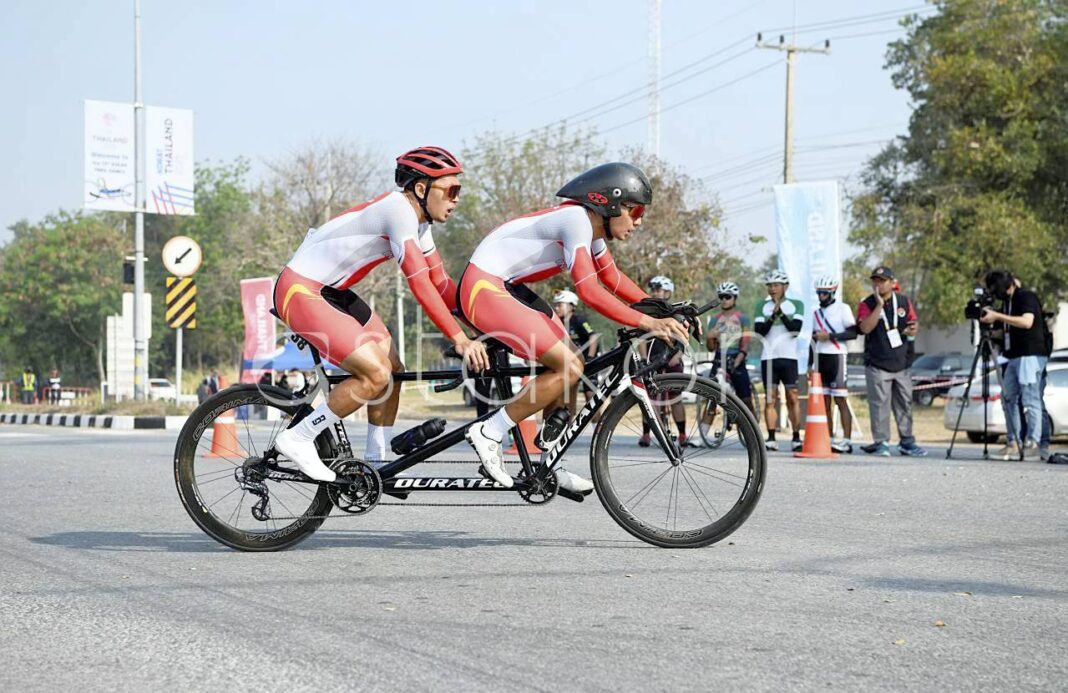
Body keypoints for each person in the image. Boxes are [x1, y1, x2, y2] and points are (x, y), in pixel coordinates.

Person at [458, 162, 689, 491]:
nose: (638, 221)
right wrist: (649, 321)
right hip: (483, 289)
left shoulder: (590, 228)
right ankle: (490, 431)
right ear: (608, 203)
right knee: (570, 365)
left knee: (571, 366)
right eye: (635, 210)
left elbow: (613, 278)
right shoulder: (576, 220)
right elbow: (590, 290)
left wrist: (665, 309)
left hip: (508, 288)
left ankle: (549, 464)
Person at [273, 146, 490, 482]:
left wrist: (487, 327)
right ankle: (299, 437)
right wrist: (460, 339)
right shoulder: (398, 212)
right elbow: (420, 285)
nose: (456, 199)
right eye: (450, 190)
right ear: (421, 188)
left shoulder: (420, 224)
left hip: (332, 292)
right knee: (374, 373)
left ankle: (375, 464)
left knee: (392, 369)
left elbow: (442, 285)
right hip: (301, 290)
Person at [856, 266, 927, 457]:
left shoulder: (903, 301)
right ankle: (881, 442)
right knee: (879, 405)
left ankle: (907, 441)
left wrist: (913, 329)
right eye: (875, 281)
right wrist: (878, 306)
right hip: (877, 364)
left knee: (904, 403)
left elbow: (914, 323)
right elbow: (864, 328)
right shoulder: (867, 303)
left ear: (892, 282)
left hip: (902, 363)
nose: (878, 284)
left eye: (882, 280)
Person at [980, 270, 1049, 460]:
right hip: (1013, 355)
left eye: (996, 290)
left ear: (1006, 286)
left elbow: (1027, 322)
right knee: (1008, 397)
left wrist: (998, 316)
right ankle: (1013, 442)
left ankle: (1034, 443)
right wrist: (989, 330)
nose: (995, 294)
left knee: (1030, 399)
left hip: (1030, 354)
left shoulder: (1026, 297)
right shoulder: (1007, 304)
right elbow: (1008, 330)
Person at [754, 270, 804, 451]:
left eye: (776, 285)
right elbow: (760, 331)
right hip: (769, 357)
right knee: (770, 399)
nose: (772, 289)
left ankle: (796, 437)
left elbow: (795, 330)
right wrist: (773, 315)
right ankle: (771, 437)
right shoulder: (762, 306)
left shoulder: (796, 305)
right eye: (770, 286)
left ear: (785, 287)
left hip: (789, 357)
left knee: (793, 397)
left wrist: (780, 313)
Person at [637, 276, 689, 447]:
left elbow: (683, 338)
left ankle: (682, 434)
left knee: (676, 397)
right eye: (653, 289)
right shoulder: (647, 313)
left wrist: (677, 357)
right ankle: (646, 434)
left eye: (659, 289)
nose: (655, 292)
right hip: (653, 359)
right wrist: (644, 359)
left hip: (673, 358)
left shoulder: (677, 312)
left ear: (668, 291)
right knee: (649, 399)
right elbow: (642, 339)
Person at [810, 276, 858, 453]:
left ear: (832, 292)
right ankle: (829, 437)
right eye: (819, 293)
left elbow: (853, 333)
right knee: (824, 402)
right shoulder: (815, 313)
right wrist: (810, 364)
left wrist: (830, 336)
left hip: (837, 356)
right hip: (820, 358)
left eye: (824, 293)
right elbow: (813, 340)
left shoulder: (843, 309)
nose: (821, 296)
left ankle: (847, 440)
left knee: (840, 399)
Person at [705, 281, 756, 417]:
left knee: (745, 398)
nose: (724, 300)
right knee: (712, 399)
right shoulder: (715, 319)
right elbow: (710, 348)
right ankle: (702, 435)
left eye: (728, 297)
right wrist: (710, 338)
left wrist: (741, 356)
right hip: (719, 357)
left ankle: (753, 434)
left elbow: (746, 341)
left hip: (736, 357)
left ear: (734, 298)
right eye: (721, 297)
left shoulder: (742, 318)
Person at [551, 289, 601, 417]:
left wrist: (590, 358)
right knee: (568, 398)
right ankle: (567, 430)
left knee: (590, 397)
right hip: (572, 365)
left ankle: (598, 429)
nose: (556, 308)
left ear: (571, 306)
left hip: (588, 362)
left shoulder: (579, 320)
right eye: (555, 305)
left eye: (560, 305)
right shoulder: (558, 322)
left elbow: (593, 337)